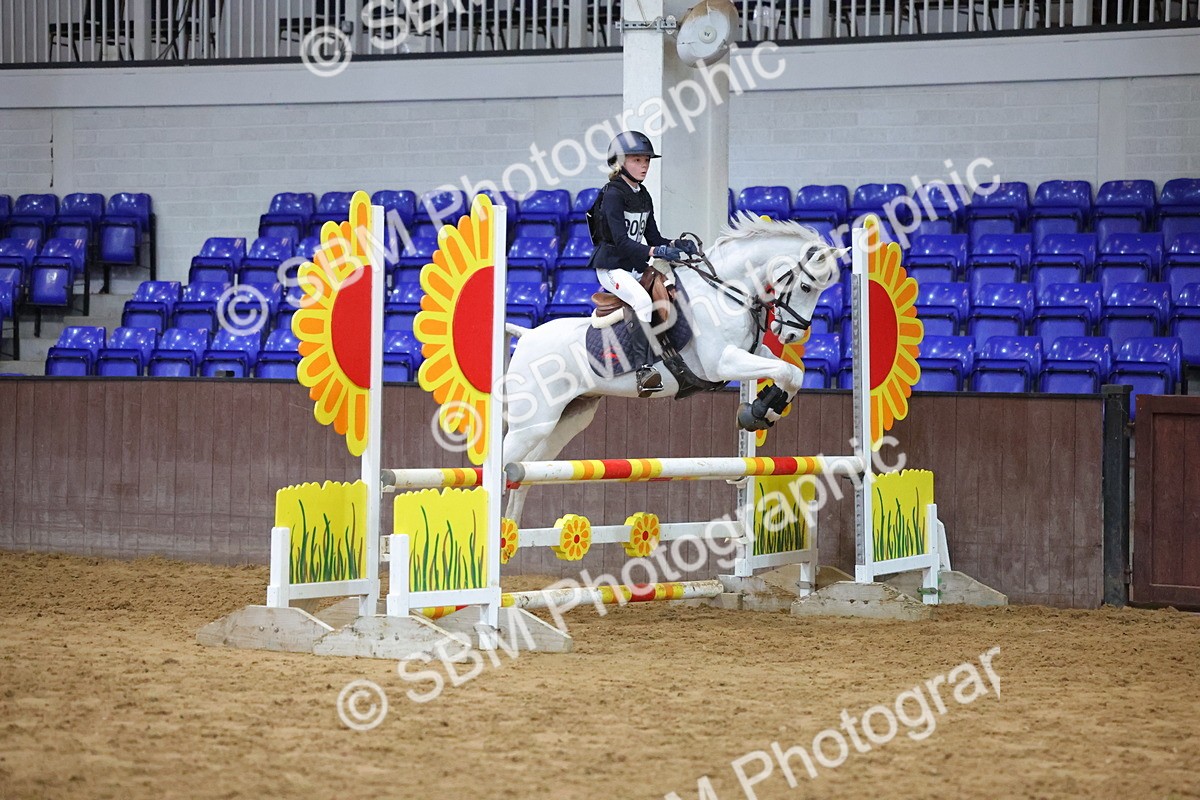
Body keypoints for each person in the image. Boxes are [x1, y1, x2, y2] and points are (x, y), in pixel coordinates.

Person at [588, 130, 698, 395]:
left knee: (675, 289)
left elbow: (653, 236)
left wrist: (673, 244)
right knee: (642, 300)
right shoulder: (613, 194)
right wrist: (656, 251)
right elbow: (622, 242)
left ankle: (673, 358)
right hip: (613, 267)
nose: (644, 165)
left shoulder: (643, 193)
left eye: (647, 160)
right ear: (620, 162)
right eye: (637, 160)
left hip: (635, 266)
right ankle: (643, 368)